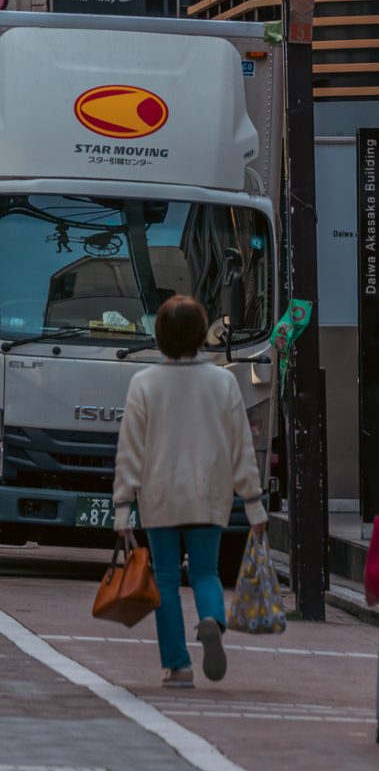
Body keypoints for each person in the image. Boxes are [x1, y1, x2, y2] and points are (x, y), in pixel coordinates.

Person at [113, 291, 267, 690]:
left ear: (159, 334)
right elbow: (241, 447)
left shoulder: (143, 384)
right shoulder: (223, 382)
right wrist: (254, 505)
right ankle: (213, 618)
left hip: (159, 494)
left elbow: (131, 451)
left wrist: (122, 510)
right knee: (205, 570)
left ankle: (177, 666)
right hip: (209, 493)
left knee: (164, 577)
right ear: (202, 334)